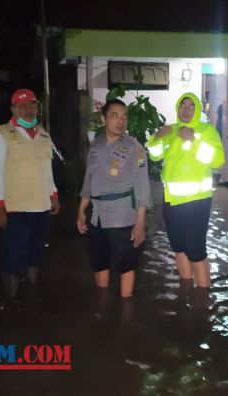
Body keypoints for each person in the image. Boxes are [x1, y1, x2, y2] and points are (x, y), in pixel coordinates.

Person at [0, 89, 60, 303]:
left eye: (32, 105)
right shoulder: (1, 135)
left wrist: (53, 195)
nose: (29, 110)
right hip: (15, 207)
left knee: (36, 250)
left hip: (41, 205)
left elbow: (47, 169)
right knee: (14, 253)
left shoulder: (43, 134)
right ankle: (11, 297)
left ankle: (32, 291)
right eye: (23, 106)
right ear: (13, 109)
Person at [147, 92, 225, 288]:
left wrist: (194, 141)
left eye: (191, 106)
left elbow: (218, 161)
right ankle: (186, 291)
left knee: (196, 250)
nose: (187, 110)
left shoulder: (206, 131)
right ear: (177, 108)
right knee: (178, 248)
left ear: (197, 109)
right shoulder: (171, 130)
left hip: (197, 202)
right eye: (183, 106)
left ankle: (203, 301)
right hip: (172, 202)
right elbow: (155, 157)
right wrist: (156, 137)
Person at [77, 99, 150, 298]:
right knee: (99, 262)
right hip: (97, 216)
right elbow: (88, 180)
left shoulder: (135, 148)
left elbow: (142, 188)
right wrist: (81, 211)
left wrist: (140, 223)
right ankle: (103, 308)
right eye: (114, 116)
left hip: (123, 217)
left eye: (124, 116)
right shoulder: (96, 145)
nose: (120, 121)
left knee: (126, 265)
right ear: (104, 119)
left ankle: (126, 314)